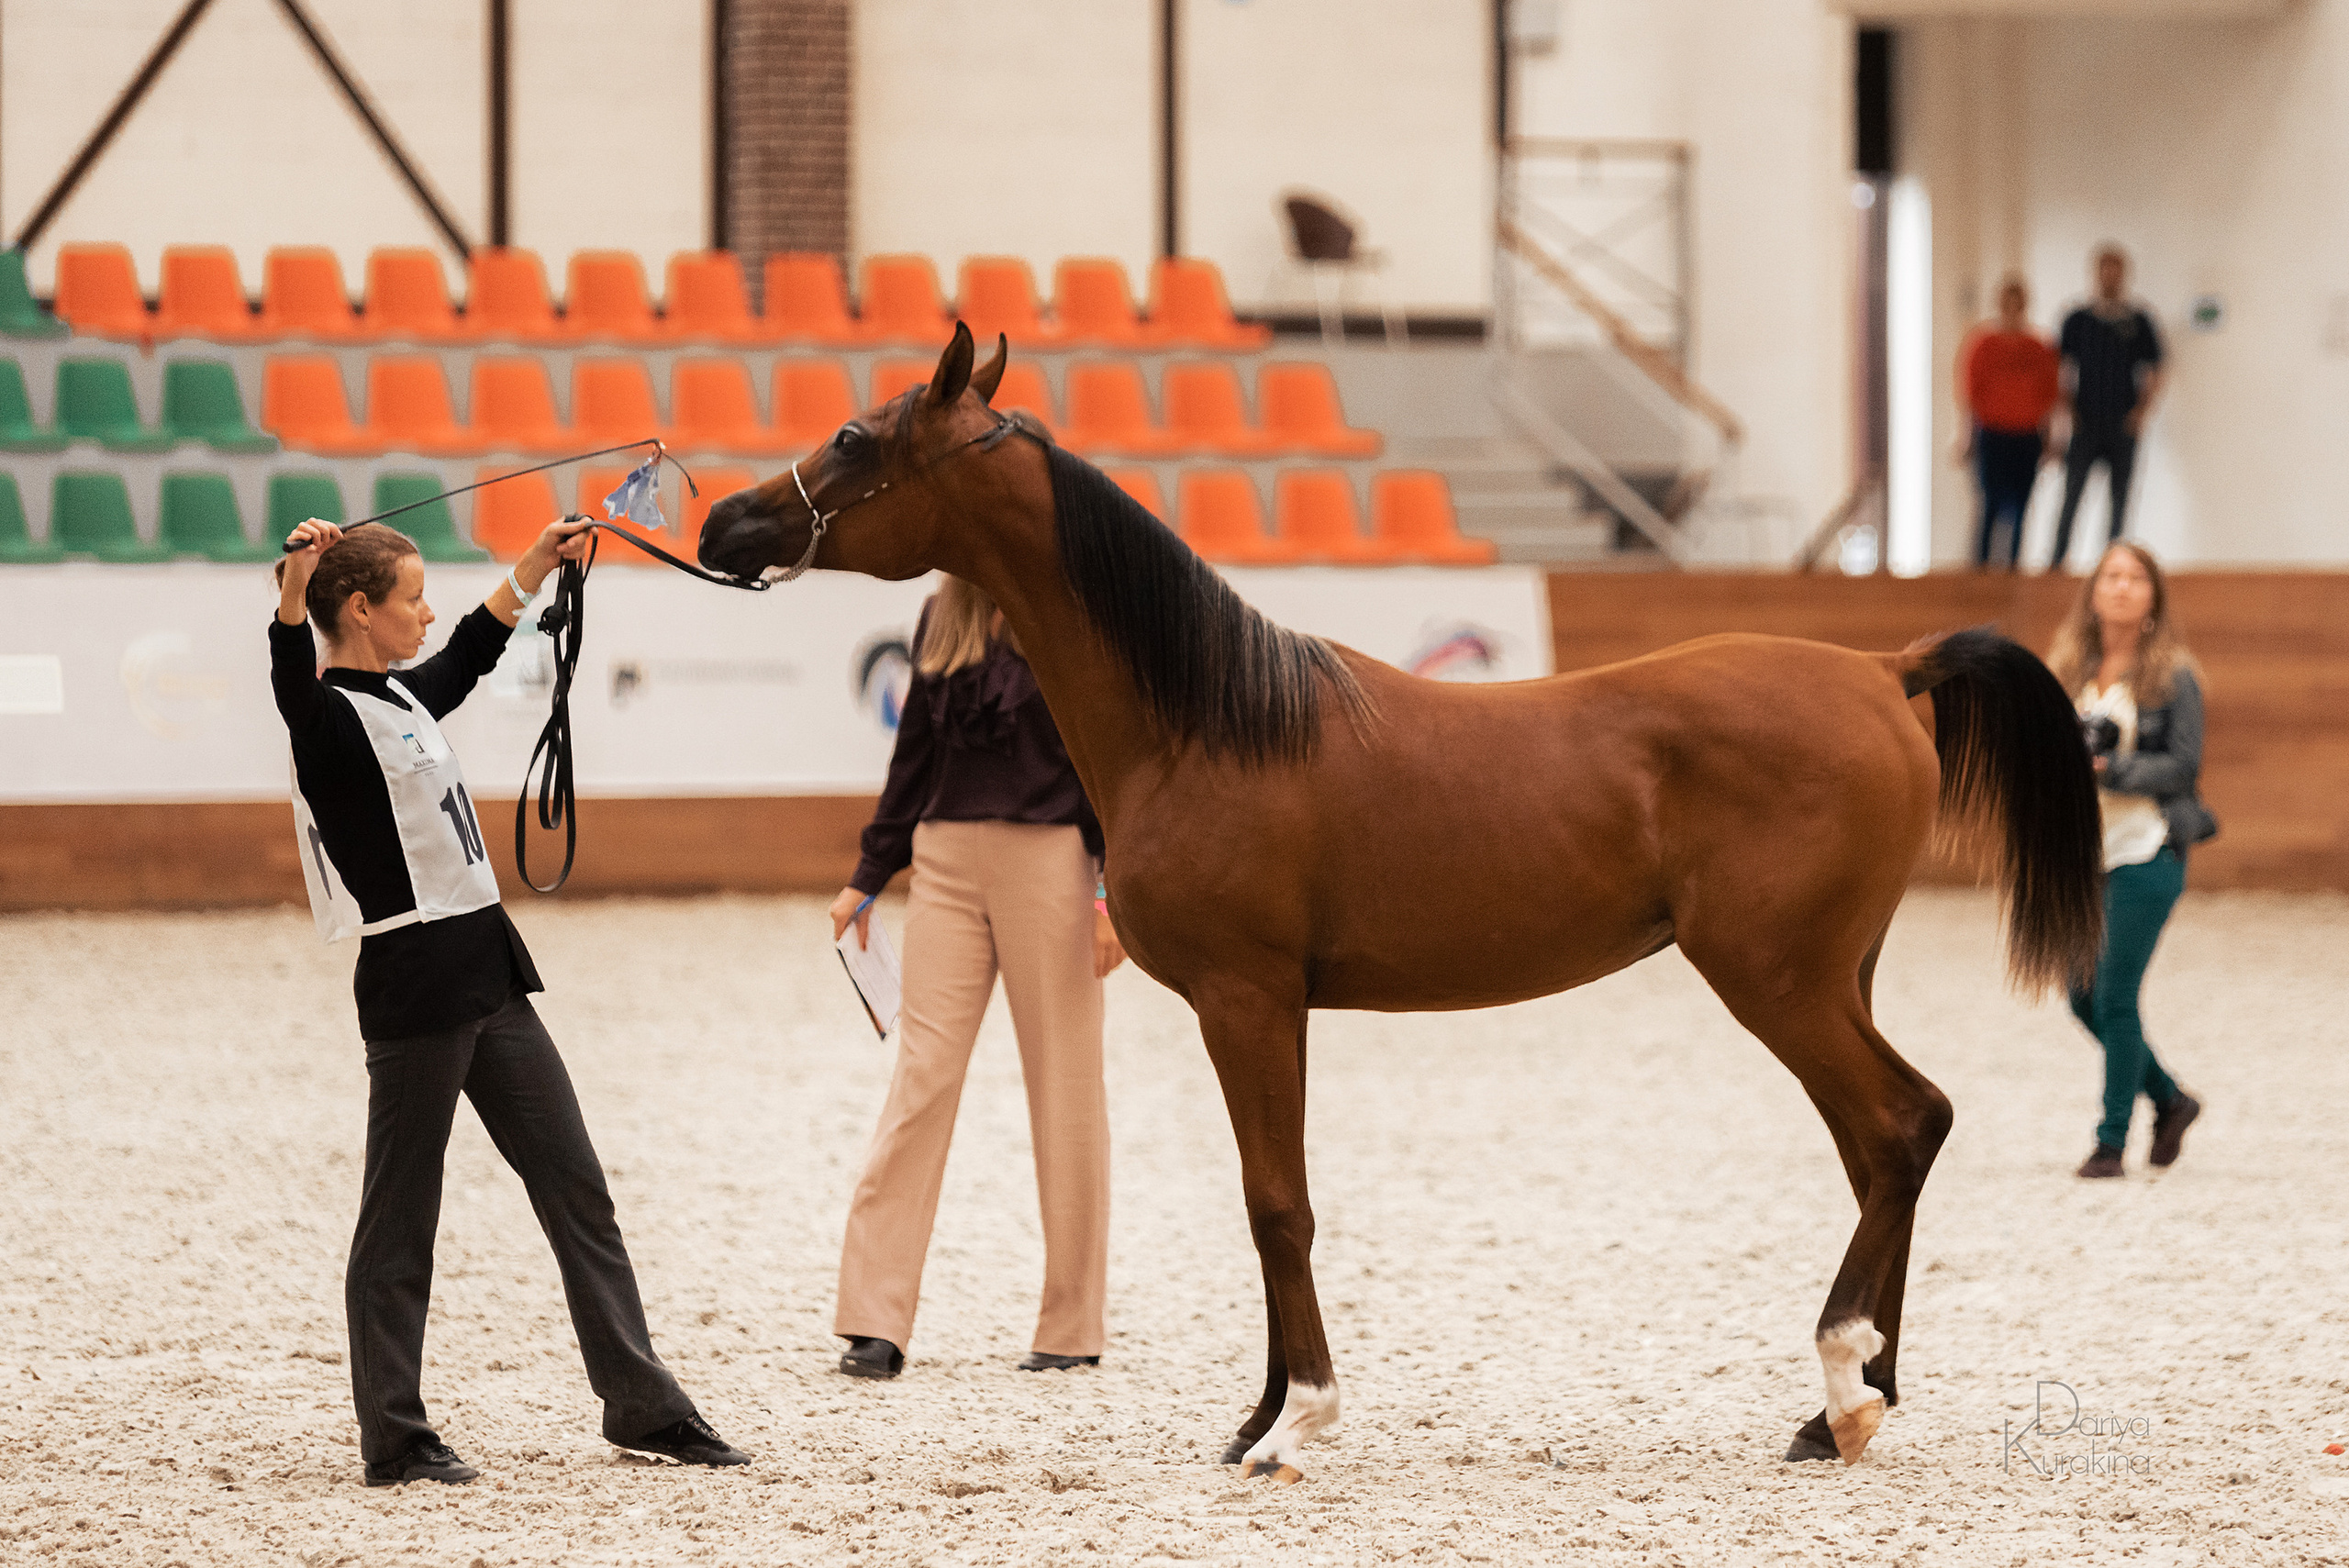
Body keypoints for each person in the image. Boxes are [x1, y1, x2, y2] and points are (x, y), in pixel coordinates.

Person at [272, 517, 749, 1485]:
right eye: (410, 595)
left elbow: (472, 652)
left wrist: (534, 565)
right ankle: (395, 1434)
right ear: (359, 609)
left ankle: (643, 1402)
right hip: (415, 986)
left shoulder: (404, 692)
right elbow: (289, 667)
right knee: (401, 1217)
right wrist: (292, 587)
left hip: (488, 972)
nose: (426, 609)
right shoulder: (323, 717)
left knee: (577, 1185)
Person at [826, 574, 1125, 1380]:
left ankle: (1072, 1323)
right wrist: (868, 873)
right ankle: (874, 1318)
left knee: (1066, 1083)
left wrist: (1111, 893)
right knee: (920, 1077)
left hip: (1054, 862)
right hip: (945, 862)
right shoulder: (939, 613)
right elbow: (914, 754)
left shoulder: (1072, 606)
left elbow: (1111, 759)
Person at [2045, 541, 2214, 1179]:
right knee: (2080, 996)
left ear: (2152, 597)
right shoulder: (2067, 670)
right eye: (2111, 576)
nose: (2120, 587)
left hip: (2148, 849)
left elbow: (2184, 763)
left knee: (2115, 993)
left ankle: (2110, 1141)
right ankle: (2171, 1099)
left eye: (2135, 577)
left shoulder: (2174, 674)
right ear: (2093, 592)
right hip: (2083, 856)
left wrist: (2112, 768)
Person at [2053, 245, 2165, 567]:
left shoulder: (2139, 321)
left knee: (2119, 504)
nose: (2110, 276)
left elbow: (2156, 369)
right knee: (2071, 498)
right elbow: (2060, 367)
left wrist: (2141, 413)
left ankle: (2112, 568)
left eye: (2116, 270)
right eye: (2105, 269)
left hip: (2122, 424)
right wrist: (2068, 411)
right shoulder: (2077, 320)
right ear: (2096, 273)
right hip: (2085, 421)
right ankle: (2057, 564)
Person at [1954, 273, 2060, 571]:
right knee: (1989, 504)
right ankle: (1981, 569)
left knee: (2020, 506)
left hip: (2026, 435)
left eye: (2018, 303)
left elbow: (2049, 397)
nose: (2012, 309)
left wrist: (2051, 439)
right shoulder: (1983, 344)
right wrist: (1967, 438)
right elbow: (1970, 395)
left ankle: (2012, 570)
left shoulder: (2039, 348)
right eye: (2007, 303)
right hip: (1992, 434)